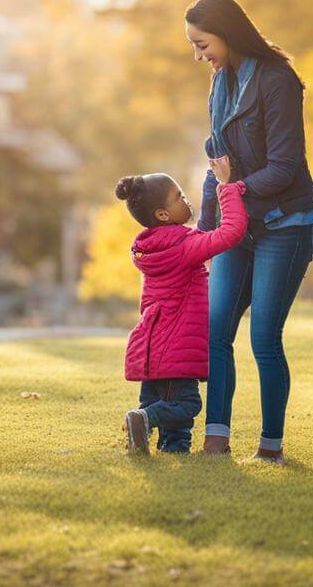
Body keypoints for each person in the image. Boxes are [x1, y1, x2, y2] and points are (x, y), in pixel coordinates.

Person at [187, 0, 313, 465]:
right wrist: (201, 237)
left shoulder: (277, 81)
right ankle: (216, 440)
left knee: (264, 336)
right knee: (216, 329)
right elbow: (216, 163)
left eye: (203, 44)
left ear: (227, 32)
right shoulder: (220, 83)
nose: (198, 55)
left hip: (285, 225)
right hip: (235, 225)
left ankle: (271, 447)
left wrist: (233, 192)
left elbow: (285, 166)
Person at [117, 156, 248, 455]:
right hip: (177, 348)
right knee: (186, 404)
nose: (185, 201)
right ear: (163, 214)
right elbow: (230, 232)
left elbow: (198, 233)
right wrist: (227, 187)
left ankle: (154, 439)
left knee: (172, 428)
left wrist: (211, 184)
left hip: (152, 350)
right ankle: (145, 419)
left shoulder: (153, 247)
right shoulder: (184, 247)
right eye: (179, 198)